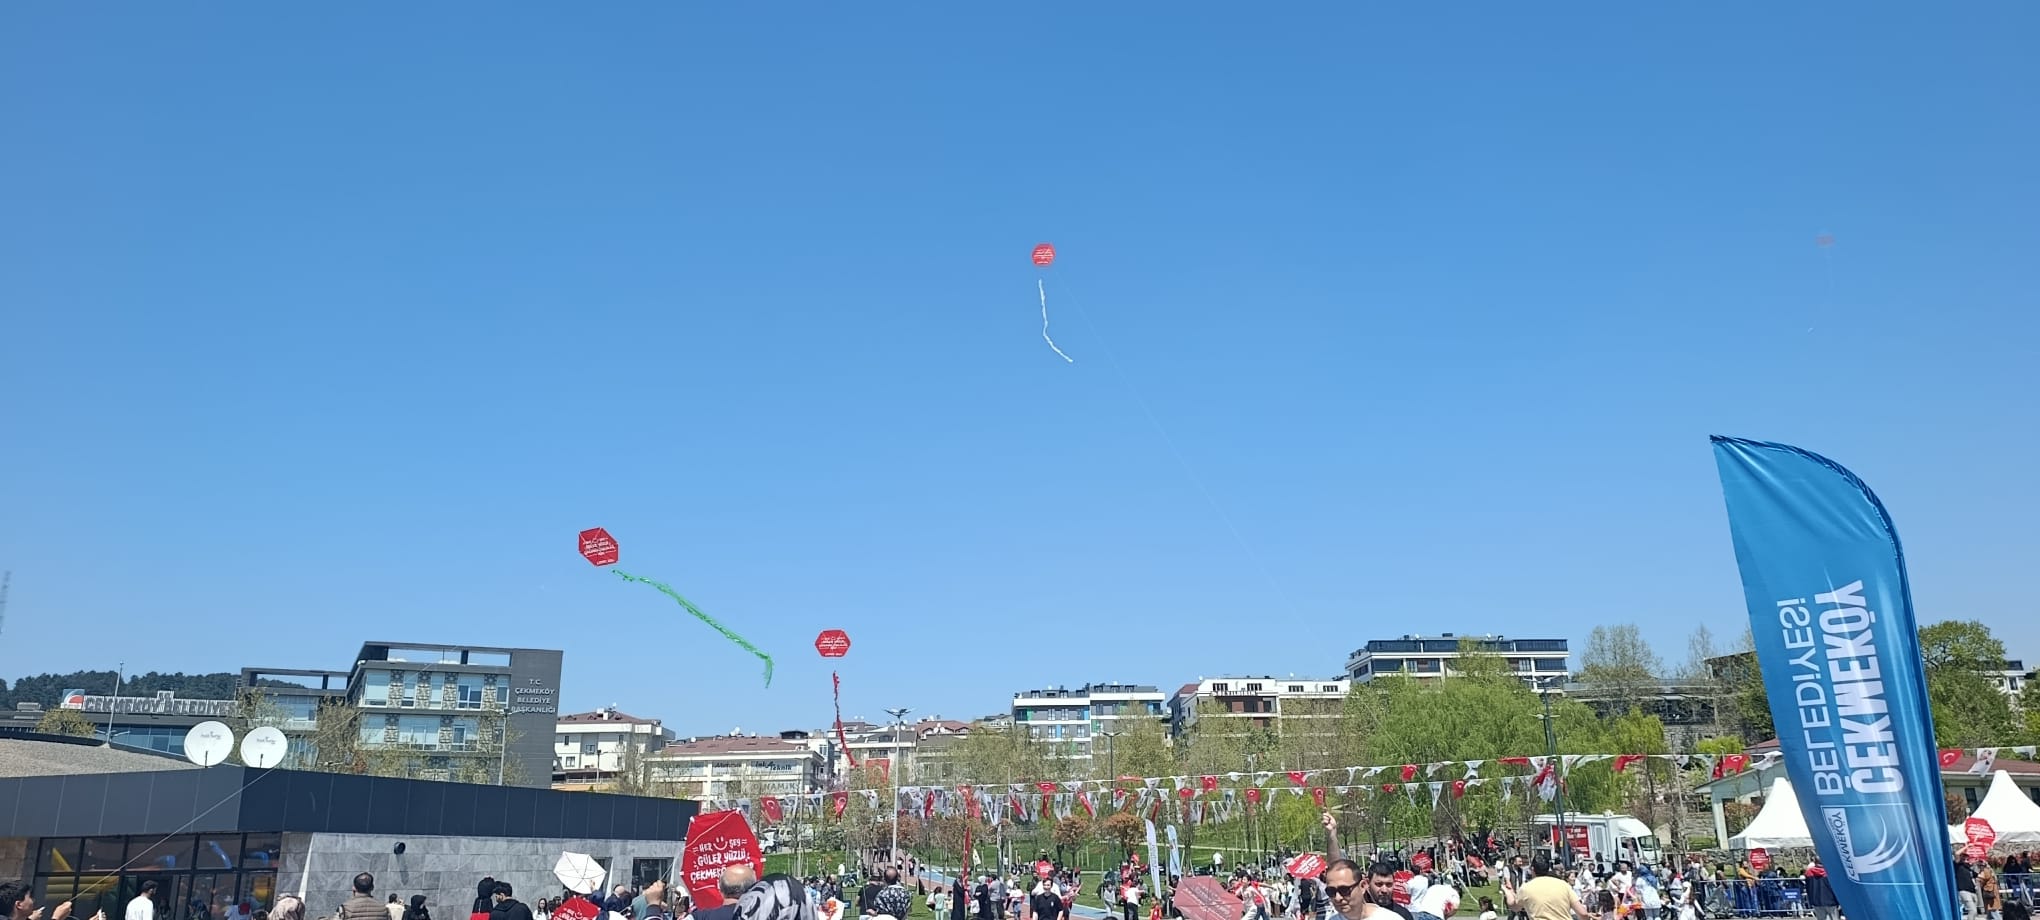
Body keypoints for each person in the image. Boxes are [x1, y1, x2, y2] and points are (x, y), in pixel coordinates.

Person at [1514, 857, 1588, 920]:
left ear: (1532, 869)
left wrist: (1509, 891)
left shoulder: (1526, 888)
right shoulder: (1563, 885)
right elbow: (1583, 913)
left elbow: (1515, 907)